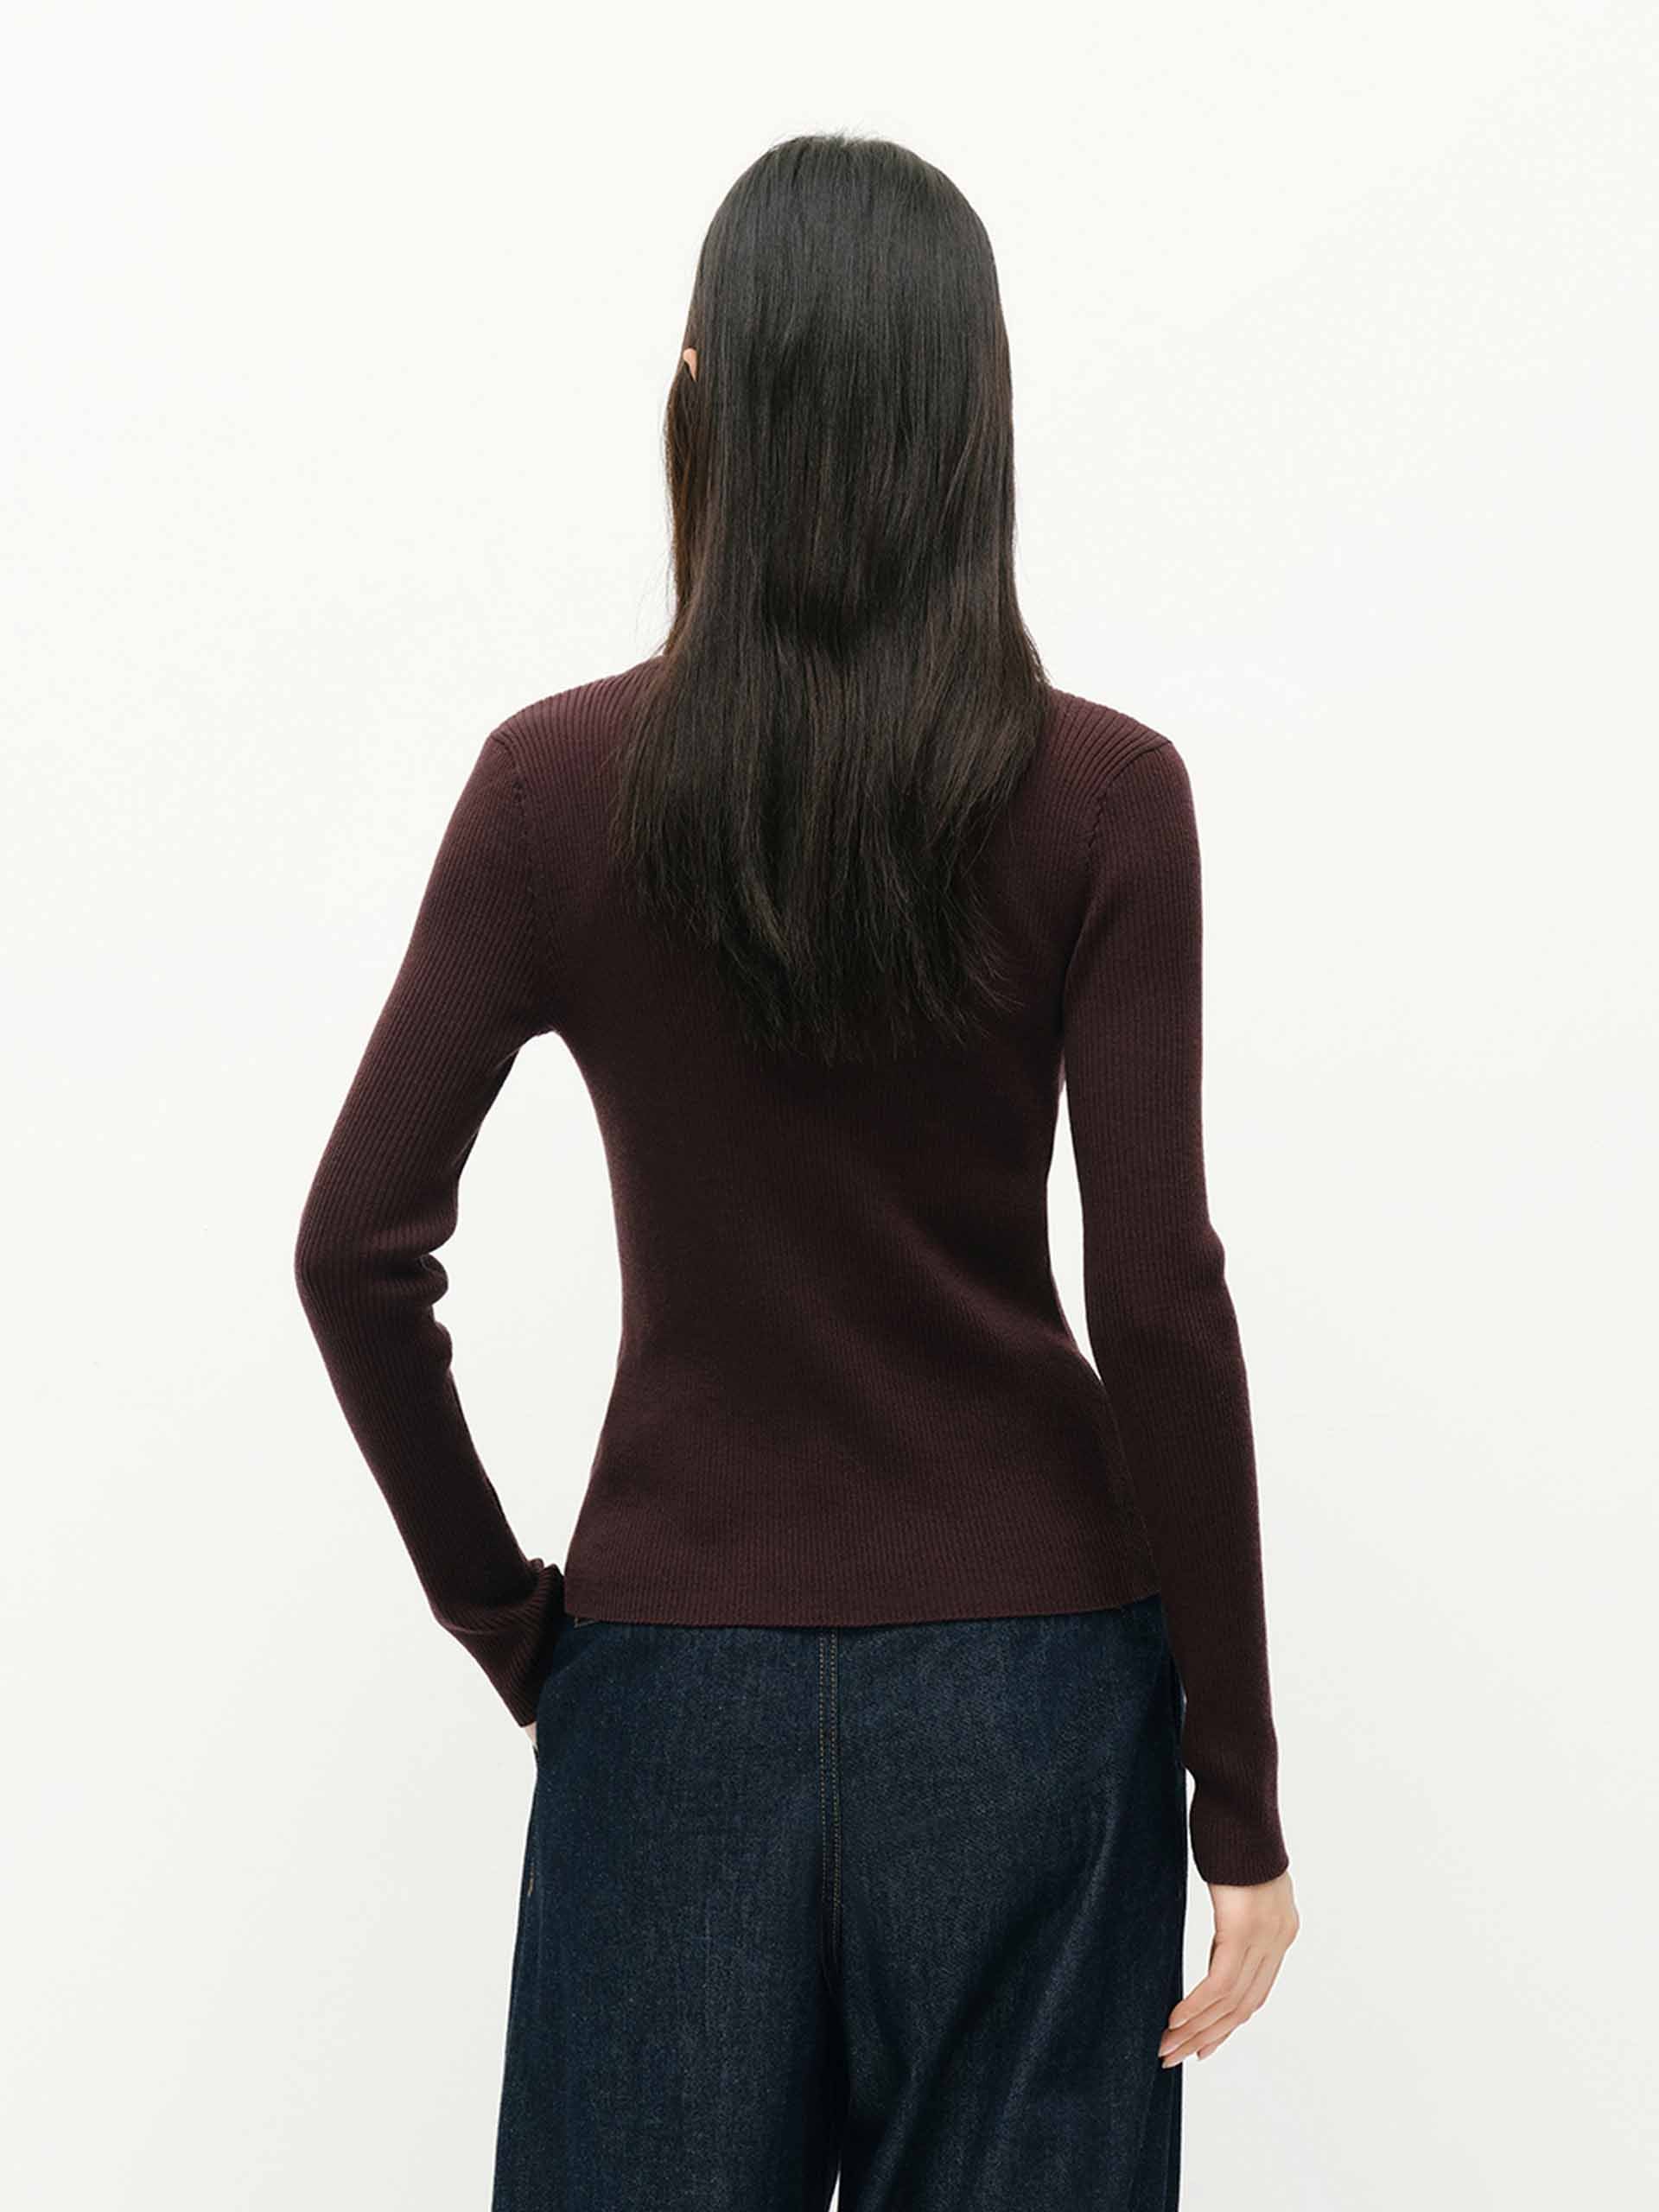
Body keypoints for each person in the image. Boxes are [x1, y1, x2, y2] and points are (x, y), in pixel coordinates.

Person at [294, 129, 1298, 2212]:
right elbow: (1159, 1301)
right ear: (976, 423)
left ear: (700, 397)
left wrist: (521, 1626)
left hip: (672, 1689)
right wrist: (1237, 1793)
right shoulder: (1107, 797)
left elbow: (354, 1250)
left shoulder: (553, 790)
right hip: (1035, 1690)